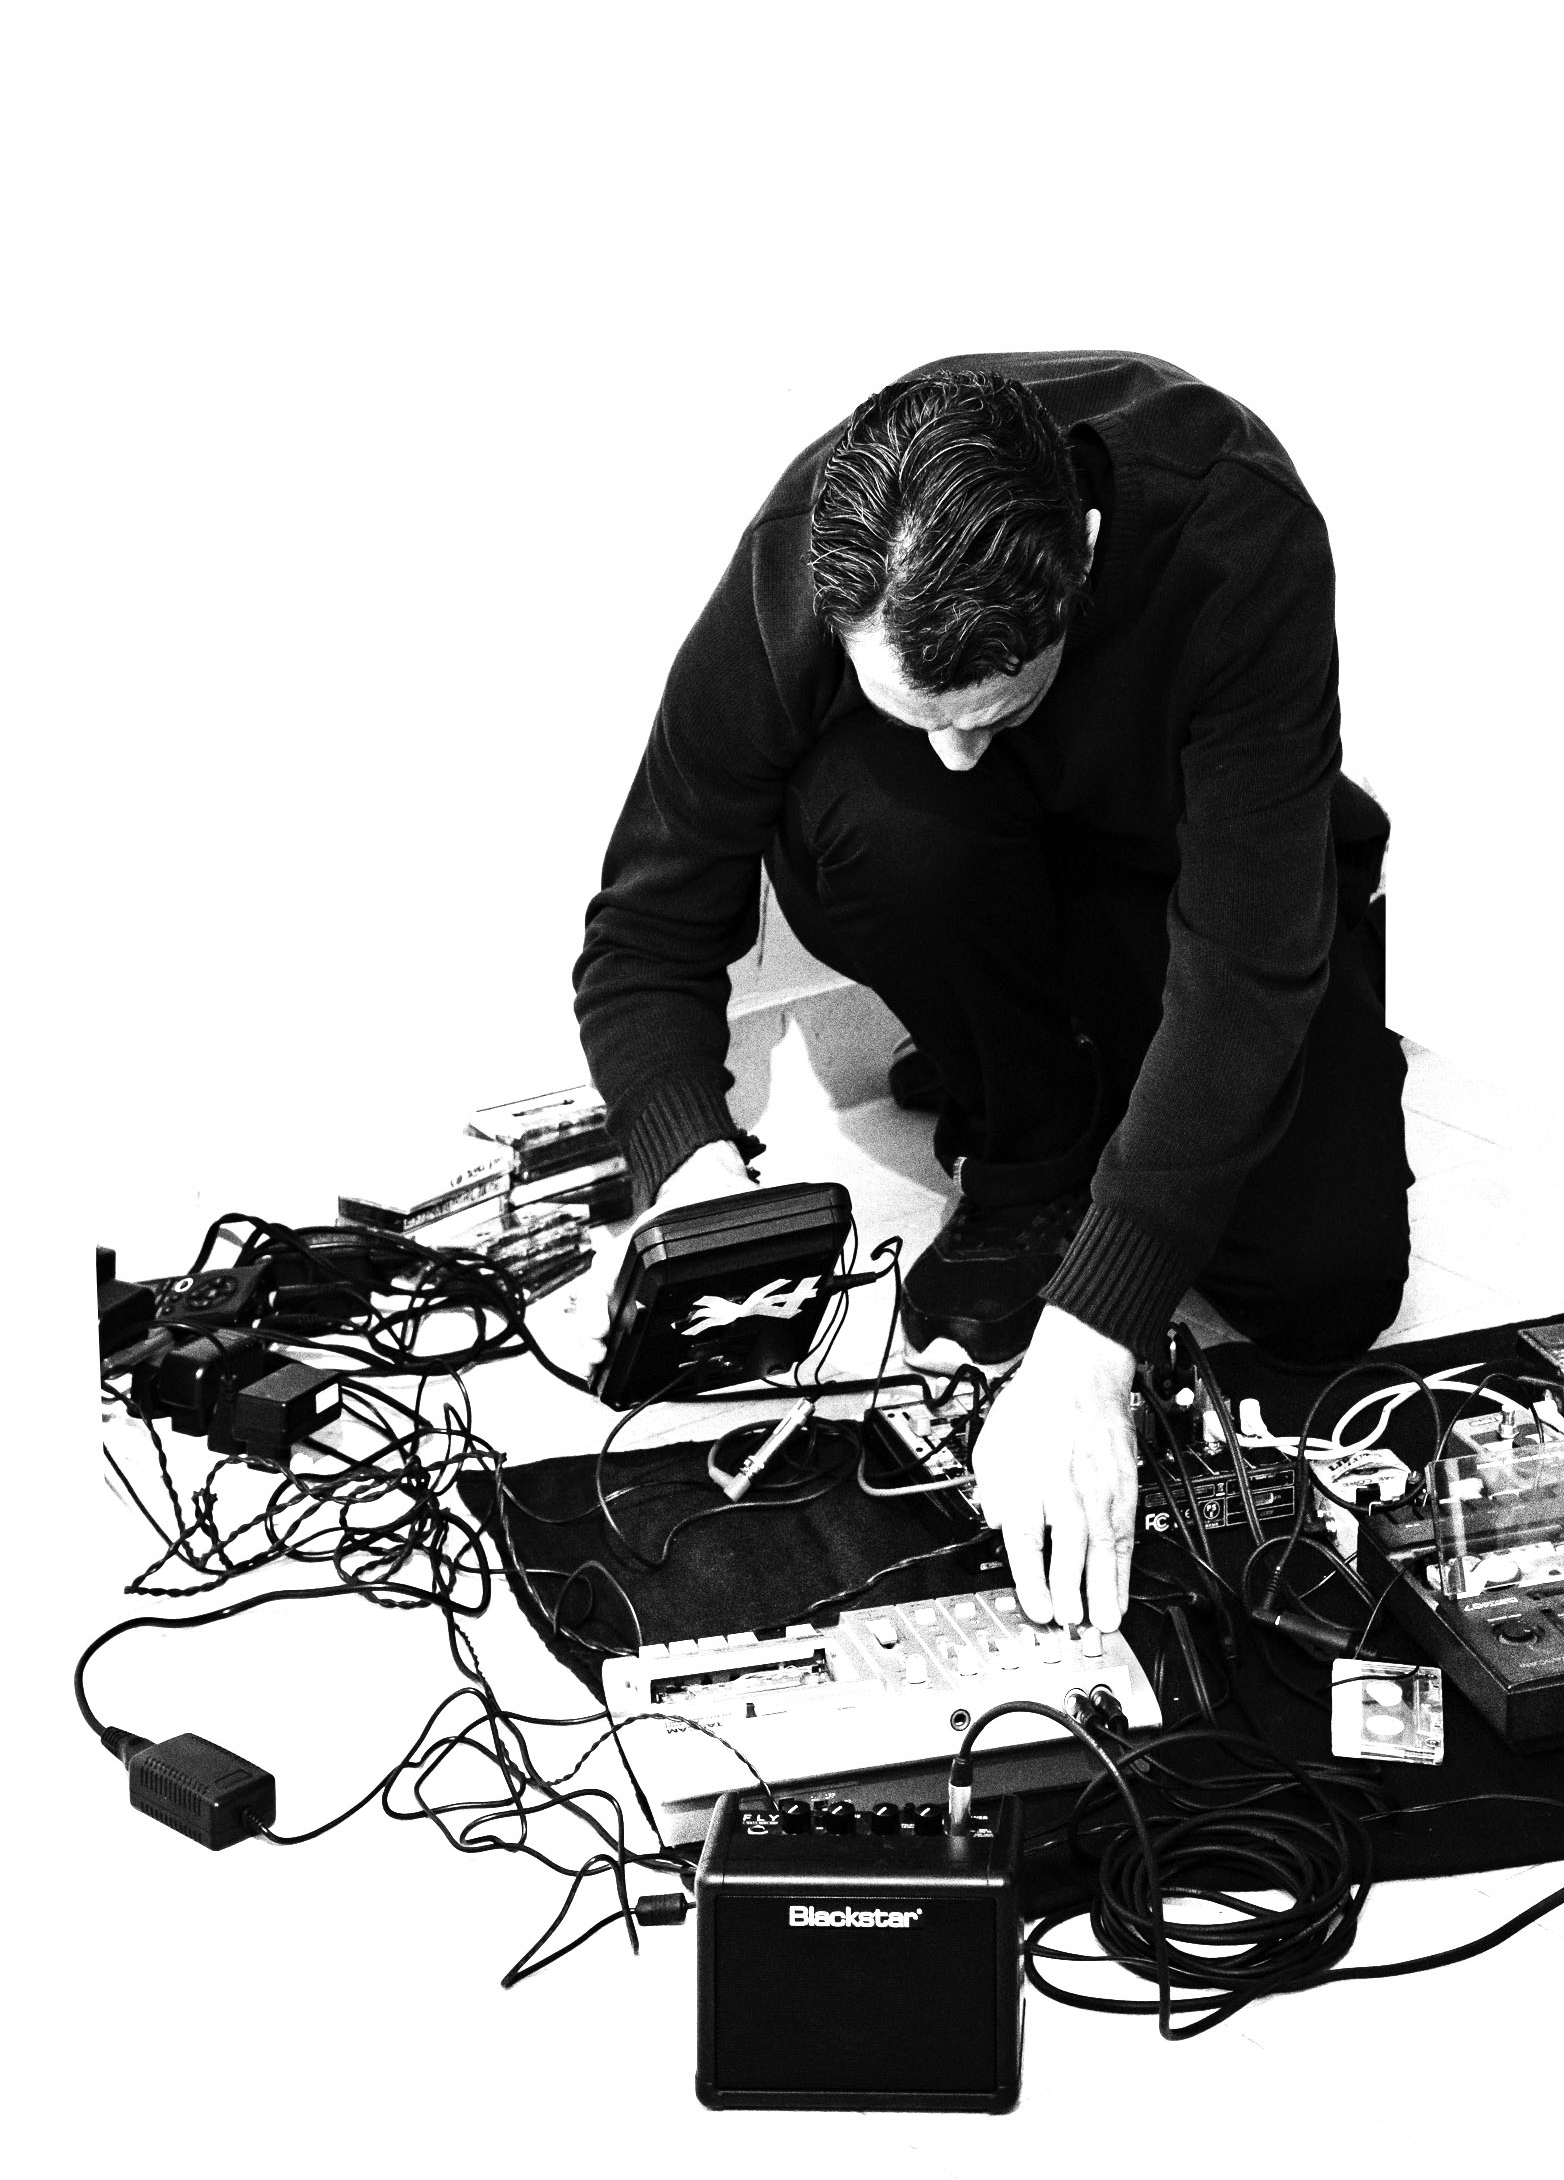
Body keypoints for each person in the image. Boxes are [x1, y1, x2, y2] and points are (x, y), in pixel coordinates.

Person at [574, 351, 1411, 1637]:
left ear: (1081, 562)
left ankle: (1092, 1072)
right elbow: (642, 927)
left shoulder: (1236, 531)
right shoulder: (803, 550)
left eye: (993, 709)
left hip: (1180, 882)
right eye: (915, 713)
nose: (956, 752)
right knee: (887, 817)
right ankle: (1030, 1143)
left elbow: (1248, 970)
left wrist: (1091, 1340)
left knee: (1327, 1286)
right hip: (961, 877)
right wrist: (687, 1171)